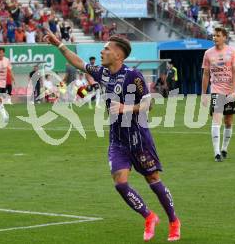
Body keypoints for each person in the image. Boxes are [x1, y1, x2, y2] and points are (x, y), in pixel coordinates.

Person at [44, 32, 181, 241]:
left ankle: (173, 221)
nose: (102, 51)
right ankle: (149, 216)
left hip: (139, 138)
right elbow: (80, 63)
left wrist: (127, 107)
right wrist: (59, 45)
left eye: (106, 48)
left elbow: (148, 104)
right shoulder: (103, 74)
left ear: (118, 55)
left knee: (152, 178)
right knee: (120, 183)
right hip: (117, 140)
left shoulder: (133, 76)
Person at [201, 27, 235, 162]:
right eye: (214, 35)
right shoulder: (208, 53)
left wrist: (234, 90)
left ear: (224, 37)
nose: (215, 38)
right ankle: (216, 152)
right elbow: (205, 74)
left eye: (217, 35)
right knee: (216, 120)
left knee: (228, 121)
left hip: (229, 91)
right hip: (216, 91)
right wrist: (204, 93)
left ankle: (224, 148)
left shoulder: (232, 52)